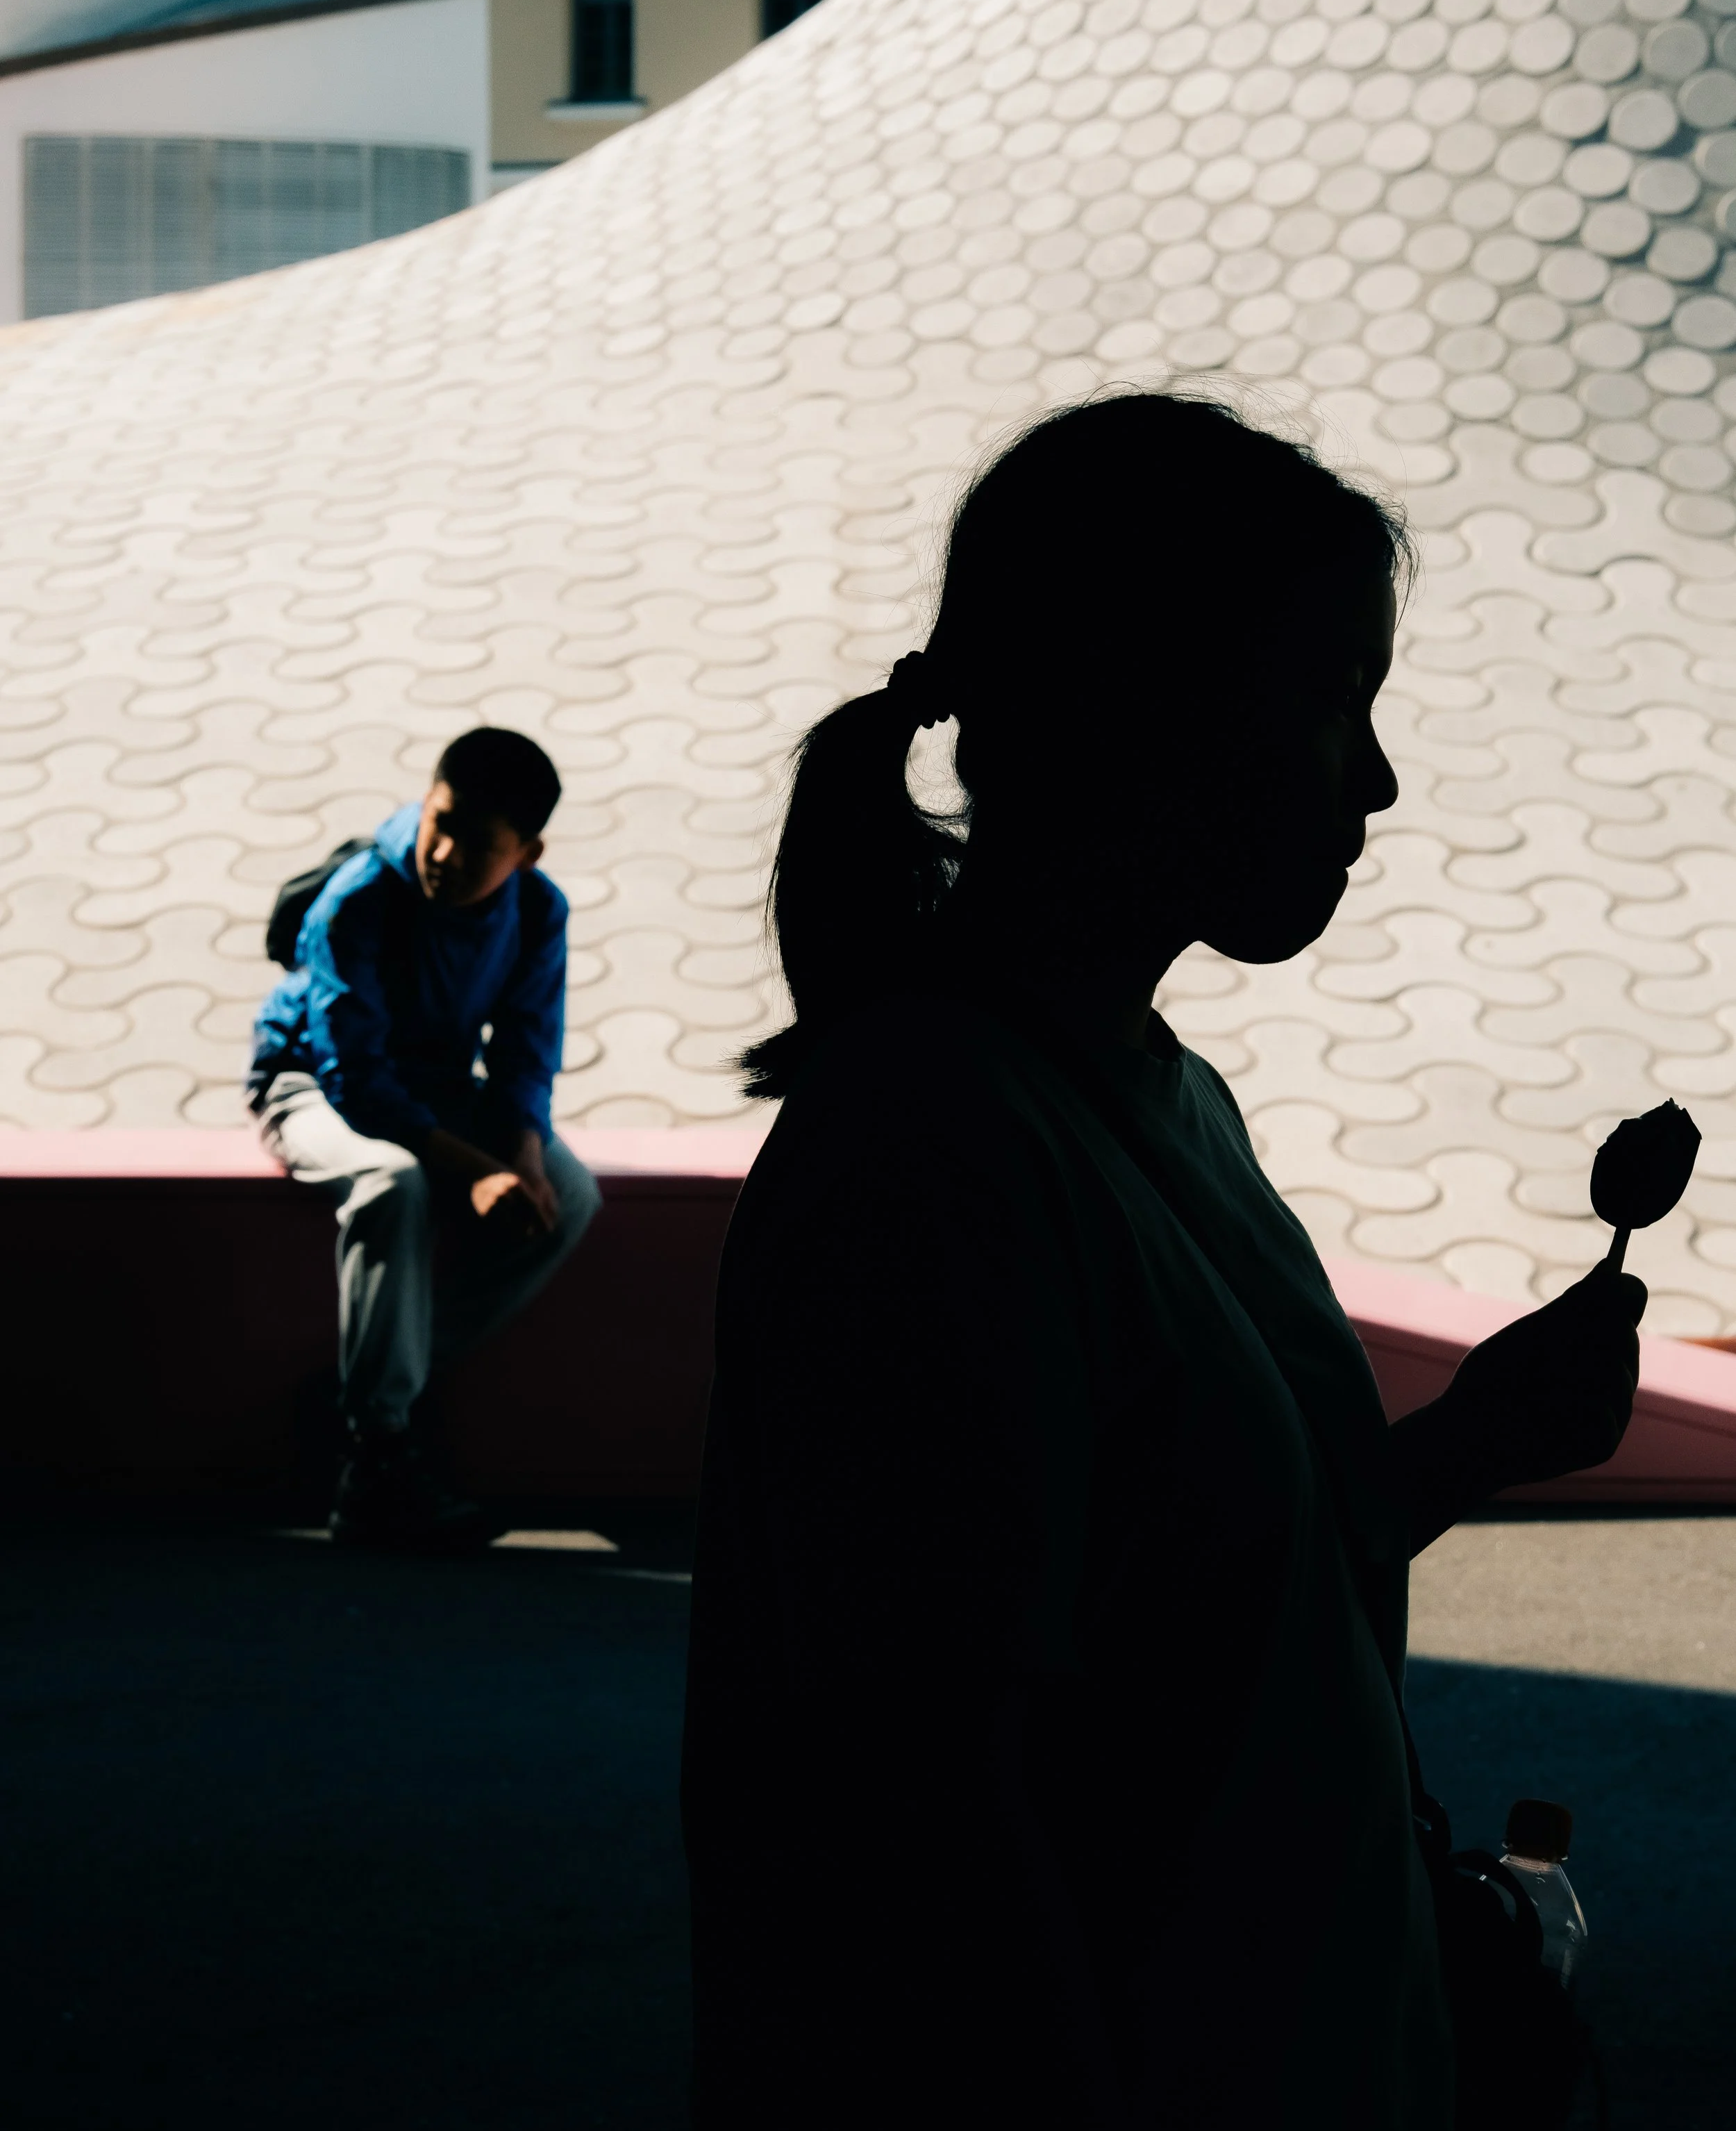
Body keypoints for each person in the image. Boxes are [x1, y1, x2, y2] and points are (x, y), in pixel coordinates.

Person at [681, 394, 1645, 2129]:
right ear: (1150, 698)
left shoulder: (1148, 1094)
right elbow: (935, 1836)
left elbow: (1175, 1589)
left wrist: (1464, 1449)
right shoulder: (934, 1162)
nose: (1375, 776)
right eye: (1334, 697)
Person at [249, 727, 601, 1550]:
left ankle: (381, 1392)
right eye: (440, 821)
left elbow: (525, 1049)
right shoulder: (359, 898)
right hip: (308, 1083)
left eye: (477, 844)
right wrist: (474, 1168)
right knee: (390, 1184)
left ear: (527, 852)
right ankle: (377, 1452)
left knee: (571, 1196)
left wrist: (518, 1152)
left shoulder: (538, 911)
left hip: (434, 1090)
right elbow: (354, 1078)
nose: (442, 852)